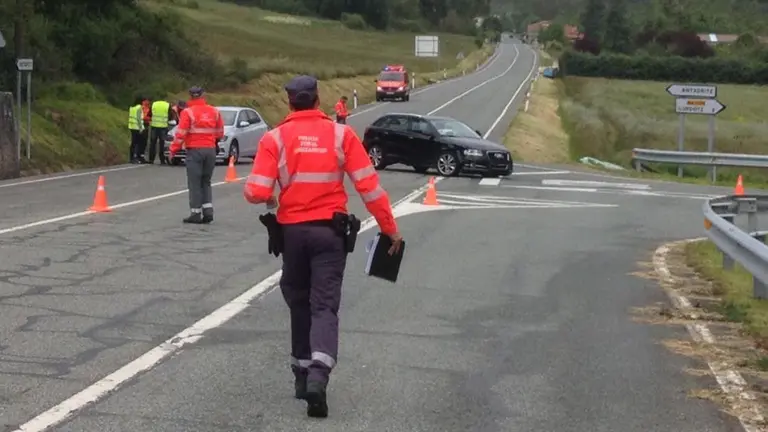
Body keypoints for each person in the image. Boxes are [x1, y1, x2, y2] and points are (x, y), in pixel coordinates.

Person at [243, 75, 403, 419]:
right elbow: (369, 187)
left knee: (298, 301)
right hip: (330, 234)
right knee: (324, 306)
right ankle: (318, 376)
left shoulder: (275, 138)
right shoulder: (341, 135)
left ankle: (302, 377)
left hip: (292, 234)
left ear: (290, 103)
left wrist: (272, 195)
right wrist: (390, 229)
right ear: (318, 101)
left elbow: (255, 191)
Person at [169, 86, 223, 224]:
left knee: (194, 182)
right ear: (203, 95)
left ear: (191, 96)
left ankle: (195, 213)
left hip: (195, 150)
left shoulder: (188, 112)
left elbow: (181, 134)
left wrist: (173, 150)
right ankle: (208, 211)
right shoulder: (214, 111)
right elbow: (220, 133)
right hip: (210, 150)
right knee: (206, 181)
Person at [149, 99, 172, 164]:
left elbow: (150, 114)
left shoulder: (154, 104)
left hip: (154, 126)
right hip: (163, 127)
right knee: (162, 144)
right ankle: (162, 160)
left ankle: (151, 159)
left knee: (153, 143)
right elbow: (170, 116)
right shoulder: (167, 105)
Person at [128, 97, 145, 164]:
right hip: (137, 127)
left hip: (132, 126)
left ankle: (131, 157)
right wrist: (141, 128)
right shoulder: (139, 107)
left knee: (133, 143)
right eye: (143, 101)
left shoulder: (132, 107)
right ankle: (136, 157)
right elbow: (138, 118)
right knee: (138, 143)